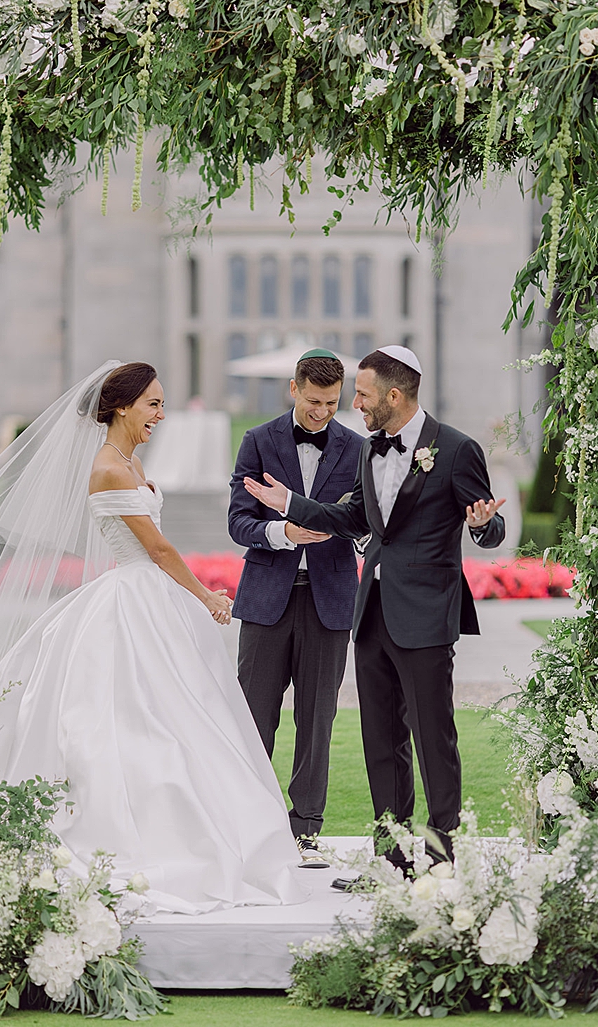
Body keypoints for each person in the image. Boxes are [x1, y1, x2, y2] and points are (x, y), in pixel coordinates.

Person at [0, 361, 305, 914]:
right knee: (129, 718)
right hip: (133, 596)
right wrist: (207, 597)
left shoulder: (130, 461)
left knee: (183, 714)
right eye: (152, 403)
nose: (160, 412)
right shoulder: (108, 468)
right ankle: (137, 834)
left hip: (148, 596)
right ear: (122, 406)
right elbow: (157, 550)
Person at [242, 346, 505, 878]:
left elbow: (491, 526)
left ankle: (441, 856)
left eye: (360, 395)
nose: (353, 405)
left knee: (434, 738)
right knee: (380, 740)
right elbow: (352, 517)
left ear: (392, 395)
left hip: (427, 616)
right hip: (370, 615)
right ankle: (391, 859)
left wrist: (481, 525)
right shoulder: (370, 451)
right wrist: (289, 503)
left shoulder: (456, 449)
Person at [228, 350, 364, 868]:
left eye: (331, 403)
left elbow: (365, 520)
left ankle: (305, 831)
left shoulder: (357, 449)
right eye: (313, 402)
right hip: (266, 601)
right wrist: (281, 532)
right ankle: (248, 823)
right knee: (254, 718)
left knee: (317, 718)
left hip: (329, 602)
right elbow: (238, 522)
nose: (322, 412)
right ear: (293, 389)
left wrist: (348, 527)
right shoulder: (258, 442)